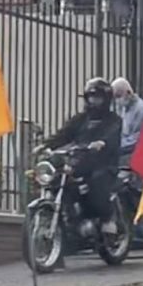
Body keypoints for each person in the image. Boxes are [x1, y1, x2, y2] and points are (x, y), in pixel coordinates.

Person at [42, 77, 122, 235]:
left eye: (97, 97)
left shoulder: (113, 120)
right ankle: (70, 217)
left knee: (97, 182)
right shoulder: (80, 119)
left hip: (104, 163)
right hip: (80, 161)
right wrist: (46, 145)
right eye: (91, 97)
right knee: (59, 179)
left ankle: (107, 218)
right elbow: (64, 134)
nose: (94, 101)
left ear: (106, 99)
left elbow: (112, 135)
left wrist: (101, 142)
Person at [111, 77, 143, 249]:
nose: (117, 100)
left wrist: (117, 147)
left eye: (119, 95)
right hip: (124, 159)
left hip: (137, 160)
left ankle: (141, 236)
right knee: (125, 196)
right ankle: (130, 234)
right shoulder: (123, 109)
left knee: (135, 196)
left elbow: (139, 138)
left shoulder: (142, 110)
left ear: (128, 92)